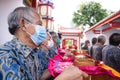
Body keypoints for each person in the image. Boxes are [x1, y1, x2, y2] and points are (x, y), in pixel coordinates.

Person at [0, 6, 88, 80]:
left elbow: (40, 76)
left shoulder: (34, 52)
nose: (44, 30)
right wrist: (63, 78)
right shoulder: (6, 55)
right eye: (39, 24)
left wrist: (62, 68)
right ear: (23, 24)